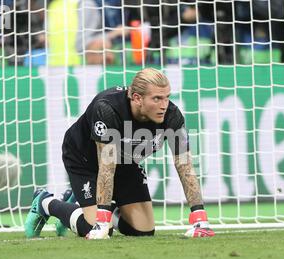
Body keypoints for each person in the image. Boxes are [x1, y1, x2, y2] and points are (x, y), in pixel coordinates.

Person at [24, 68, 215, 239]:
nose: (164, 105)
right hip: (85, 160)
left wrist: (199, 217)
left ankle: (79, 201)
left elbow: (185, 165)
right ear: (137, 98)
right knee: (94, 227)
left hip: (126, 161)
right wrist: (102, 220)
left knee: (143, 231)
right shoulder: (107, 109)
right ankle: (46, 202)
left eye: (166, 97)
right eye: (156, 98)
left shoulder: (172, 116)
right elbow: (106, 167)